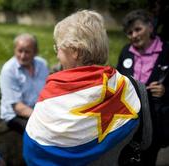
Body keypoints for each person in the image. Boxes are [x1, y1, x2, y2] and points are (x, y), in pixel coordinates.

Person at [23, 10, 152, 166]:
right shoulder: (133, 87)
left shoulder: (53, 95)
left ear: (75, 51)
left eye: (58, 48)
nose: (57, 55)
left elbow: (33, 149)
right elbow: (145, 141)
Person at [116, 9, 169, 165]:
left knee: (148, 158)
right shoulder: (126, 51)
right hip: (129, 118)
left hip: (156, 119)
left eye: (138, 29)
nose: (134, 35)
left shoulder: (166, 51)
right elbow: (119, 78)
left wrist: (166, 91)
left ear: (150, 27)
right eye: (129, 32)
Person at [0, 33, 49, 134]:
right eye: (20, 51)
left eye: (27, 52)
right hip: (15, 115)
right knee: (41, 132)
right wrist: (43, 117)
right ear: (15, 50)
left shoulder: (42, 64)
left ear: (35, 52)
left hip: (37, 110)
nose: (22, 56)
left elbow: (48, 90)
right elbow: (18, 107)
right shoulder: (9, 70)